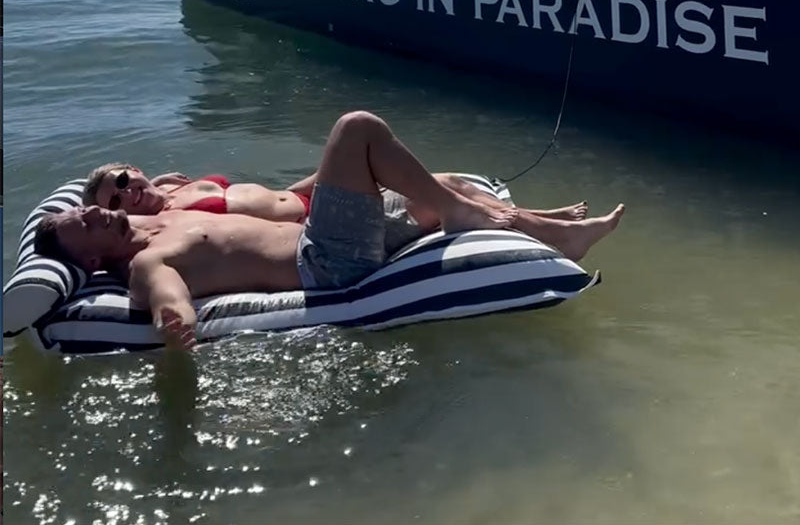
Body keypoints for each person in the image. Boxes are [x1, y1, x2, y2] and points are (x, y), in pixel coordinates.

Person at [35, 111, 625, 350]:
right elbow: (168, 298)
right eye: (87, 220)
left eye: (93, 205)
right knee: (357, 129)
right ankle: (464, 214)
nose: (96, 211)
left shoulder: (160, 212)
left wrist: (137, 186)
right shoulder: (143, 264)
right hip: (327, 264)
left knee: (438, 183)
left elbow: (120, 190)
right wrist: (177, 323)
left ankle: (556, 236)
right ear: (89, 263)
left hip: (332, 237)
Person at [81, 164, 589, 256]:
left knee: (447, 182)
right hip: (315, 226)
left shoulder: (181, 186)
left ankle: (546, 220)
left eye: (123, 180)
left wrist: (326, 176)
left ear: (134, 167)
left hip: (309, 198)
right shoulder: (169, 219)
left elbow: (274, 192)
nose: (127, 195)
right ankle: (557, 232)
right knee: (436, 193)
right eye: (115, 200)